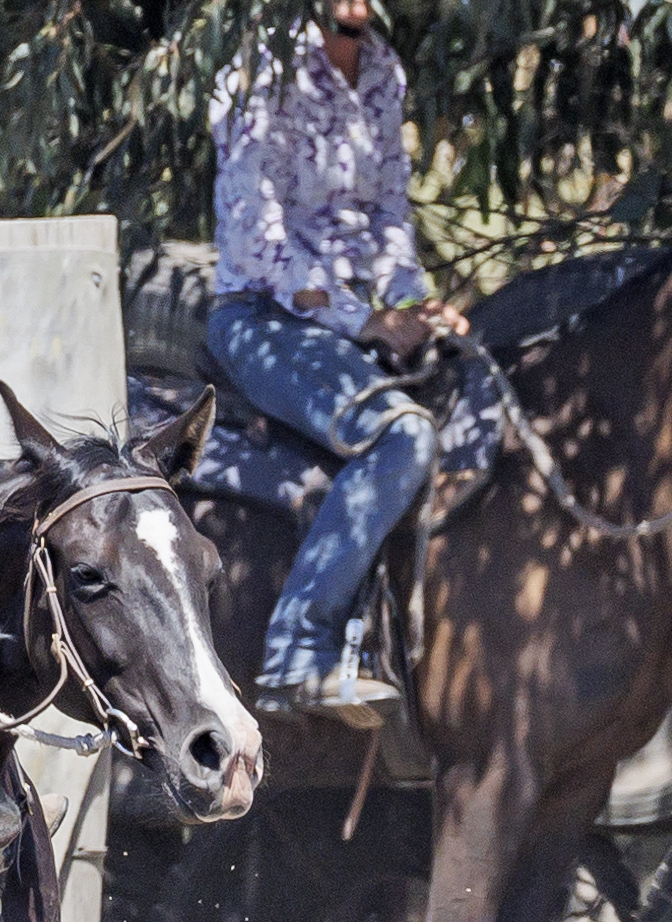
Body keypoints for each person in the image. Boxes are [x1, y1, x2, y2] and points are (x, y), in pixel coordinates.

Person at [206, 0, 468, 724]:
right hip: (263, 319)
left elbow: (388, 216)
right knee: (401, 437)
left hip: (358, 322)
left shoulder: (383, 70)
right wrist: (366, 320)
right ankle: (297, 647)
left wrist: (415, 305)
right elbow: (256, 241)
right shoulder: (258, 70)